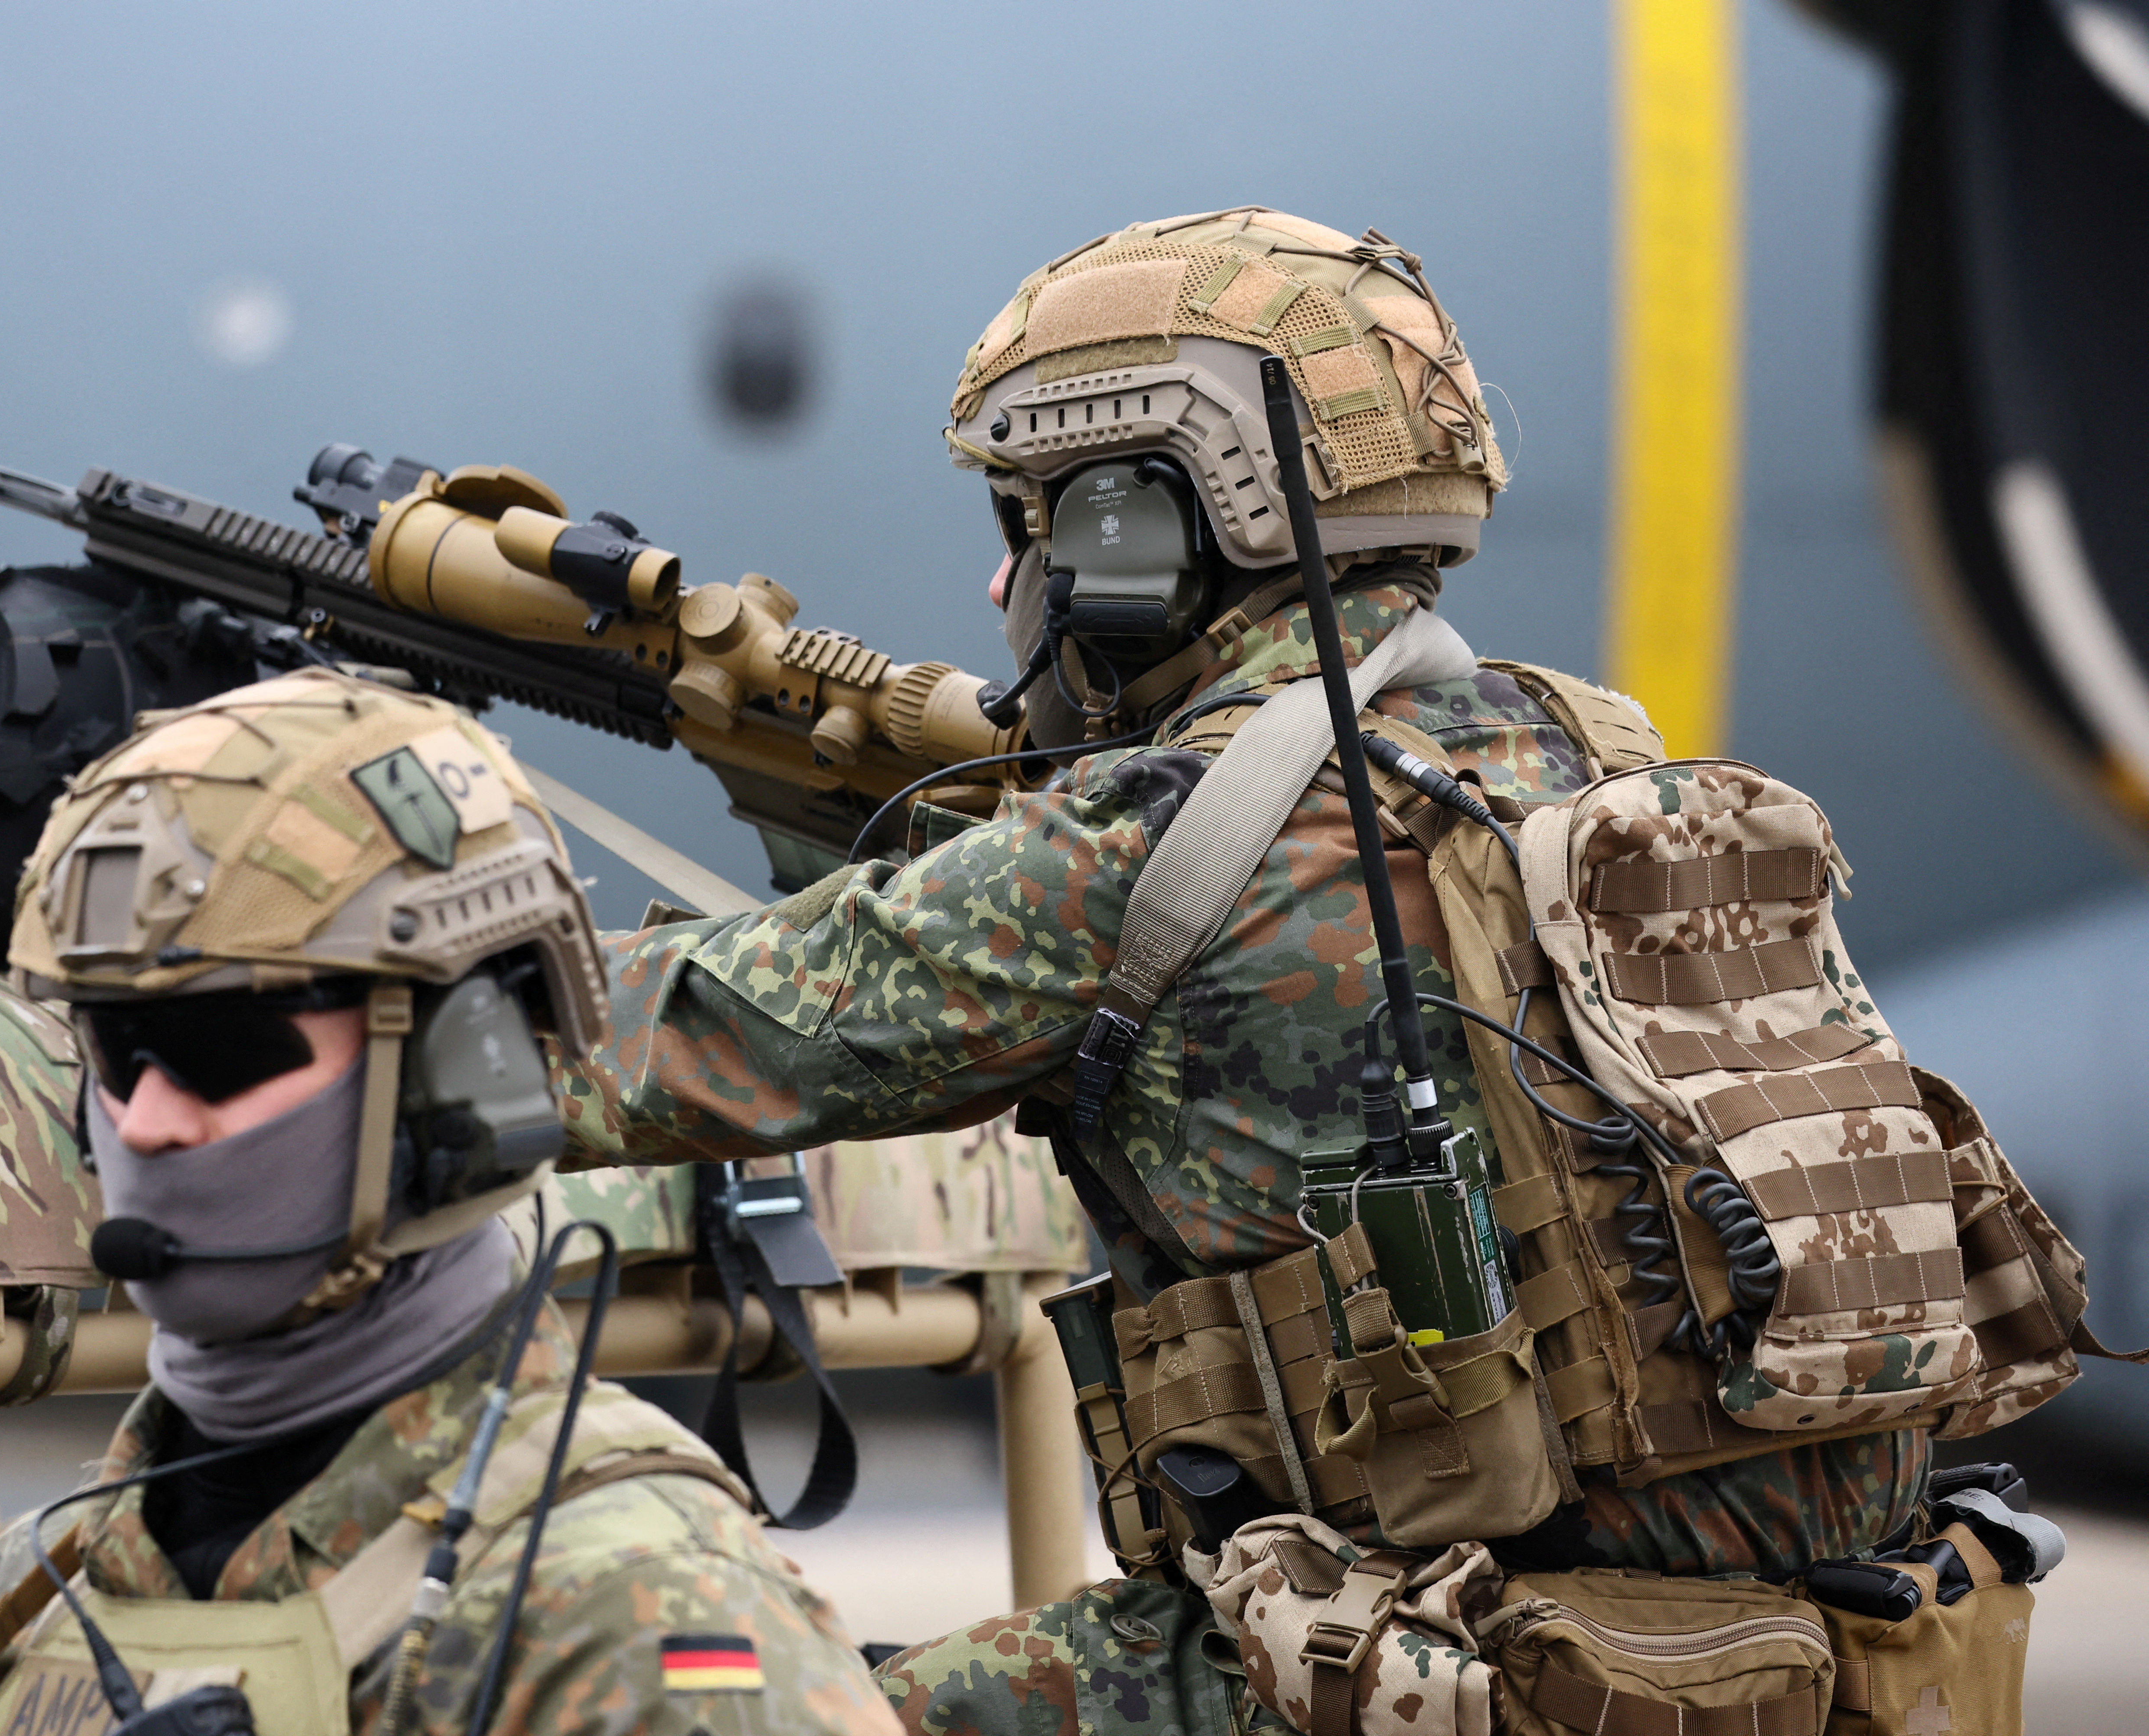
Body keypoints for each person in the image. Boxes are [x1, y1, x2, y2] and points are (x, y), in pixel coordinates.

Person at [555, 208, 1928, 1733]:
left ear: (1139, 530)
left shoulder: (1159, 837)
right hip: (1788, 1654)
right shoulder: (1589, 755)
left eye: (1034, 525)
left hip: (1437, 1662)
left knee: (725, 1709)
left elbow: (660, 1043)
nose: (1007, 585)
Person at [0, 669, 897, 1736]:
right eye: (111, 1048)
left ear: (456, 1078)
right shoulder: (32, 1590)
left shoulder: (631, 1615)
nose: (144, 1120)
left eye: (223, 1048)